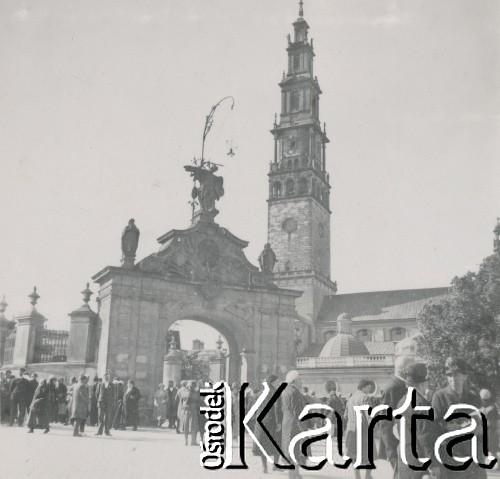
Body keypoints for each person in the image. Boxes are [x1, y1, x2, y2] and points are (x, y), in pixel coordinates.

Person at [432, 356, 486, 478]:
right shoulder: (439, 396)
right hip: (451, 454)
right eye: (449, 375)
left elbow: (479, 422)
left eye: (456, 375)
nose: (453, 379)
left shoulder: (472, 397)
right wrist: (454, 427)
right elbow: (435, 425)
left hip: (472, 453)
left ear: (464, 376)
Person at [397, 362, 442, 479]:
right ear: (423, 383)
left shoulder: (402, 401)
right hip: (419, 460)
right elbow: (424, 435)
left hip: (405, 457)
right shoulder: (420, 404)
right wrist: (432, 464)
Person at [378, 355, 415, 478]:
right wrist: (391, 450)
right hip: (397, 446)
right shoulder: (392, 388)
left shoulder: (402, 386)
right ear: (405, 369)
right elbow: (385, 422)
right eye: (413, 367)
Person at [252, 375, 283, 473]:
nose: (279, 383)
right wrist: (279, 422)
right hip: (272, 422)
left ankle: (264, 467)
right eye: (277, 381)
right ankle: (275, 465)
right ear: (272, 382)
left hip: (261, 422)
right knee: (277, 443)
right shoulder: (276, 392)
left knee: (263, 445)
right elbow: (277, 408)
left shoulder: (260, 393)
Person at [345, 379, 374, 479]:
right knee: (370, 452)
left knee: (354, 454)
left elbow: (345, 415)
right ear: (363, 387)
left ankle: (357, 476)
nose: (370, 389)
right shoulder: (364, 397)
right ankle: (368, 475)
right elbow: (369, 415)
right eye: (368, 387)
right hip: (362, 429)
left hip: (351, 428)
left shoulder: (350, 398)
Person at [281, 370, 307, 479]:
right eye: (300, 379)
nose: (301, 381)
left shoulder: (285, 390)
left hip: (286, 422)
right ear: (295, 380)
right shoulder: (295, 392)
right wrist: (303, 427)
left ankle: (295, 474)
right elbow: (298, 412)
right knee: (294, 449)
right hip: (294, 424)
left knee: (289, 448)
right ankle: (293, 475)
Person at [178, 380, 199, 446]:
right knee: (193, 426)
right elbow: (197, 403)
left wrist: (181, 411)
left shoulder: (183, 392)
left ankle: (186, 441)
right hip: (193, 411)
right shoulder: (195, 393)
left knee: (185, 426)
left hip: (185, 411)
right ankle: (192, 441)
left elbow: (181, 402)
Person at [479, 389, 499, 457]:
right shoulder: (480, 407)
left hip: (491, 429)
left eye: (486, 400)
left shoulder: (493, 407)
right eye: (483, 400)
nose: (484, 402)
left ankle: (491, 452)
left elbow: (496, 420)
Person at [95, 371, 113, 436]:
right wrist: (100, 400)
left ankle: (107, 432)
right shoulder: (100, 384)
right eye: (105, 376)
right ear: (103, 377)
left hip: (109, 404)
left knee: (108, 418)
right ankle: (99, 431)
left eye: (108, 377)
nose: (107, 378)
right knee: (100, 418)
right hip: (101, 403)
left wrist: (110, 402)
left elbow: (113, 395)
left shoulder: (112, 385)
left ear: (110, 377)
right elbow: (97, 394)